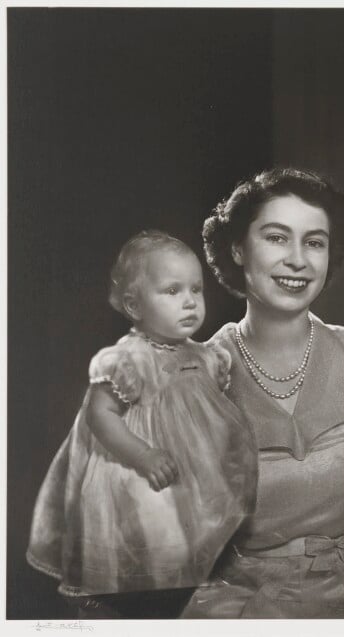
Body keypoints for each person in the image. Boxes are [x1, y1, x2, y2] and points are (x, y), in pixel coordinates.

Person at [179, 167, 344, 619]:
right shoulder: (192, 375)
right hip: (241, 609)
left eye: (315, 242)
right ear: (238, 249)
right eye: (277, 238)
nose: (298, 260)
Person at [27, 230, 257, 618]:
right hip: (139, 470)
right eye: (171, 291)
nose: (189, 301)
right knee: (152, 535)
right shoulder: (128, 359)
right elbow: (100, 417)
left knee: (195, 541)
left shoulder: (206, 357)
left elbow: (208, 414)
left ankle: (179, 596)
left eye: (196, 289)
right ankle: (132, 604)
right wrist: (143, 454)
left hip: (193, 473)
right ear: (134, 305)